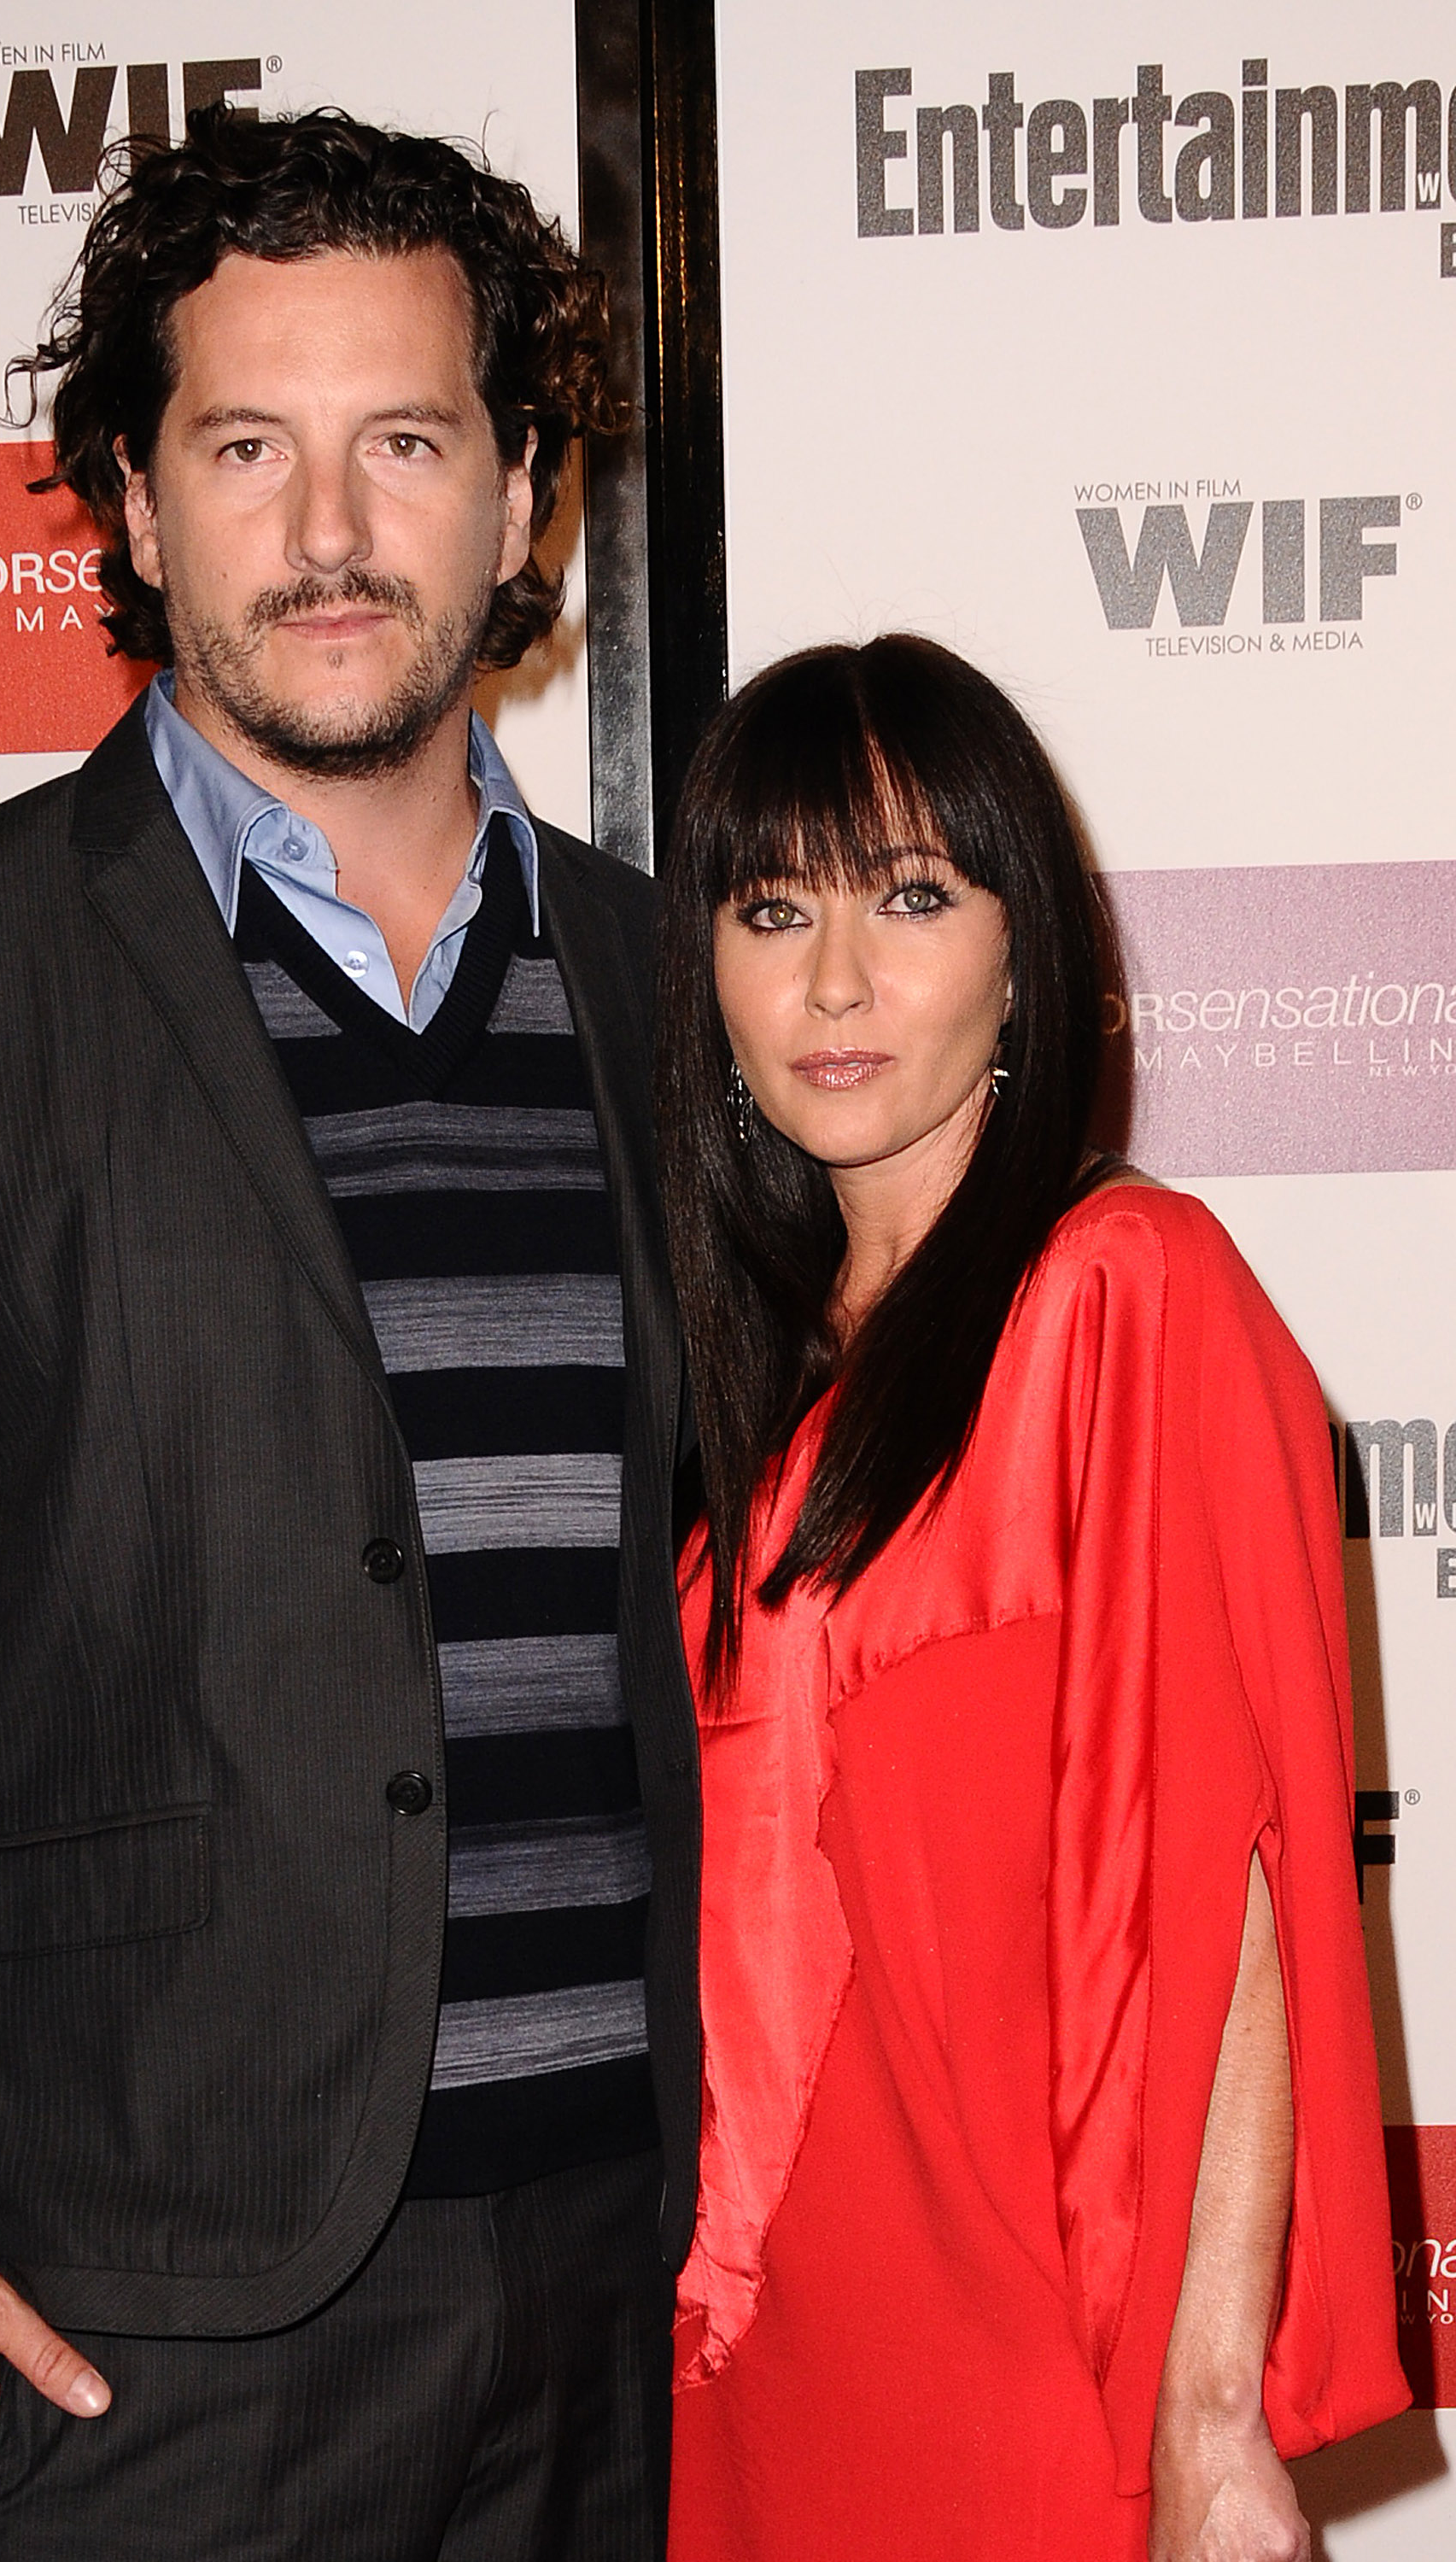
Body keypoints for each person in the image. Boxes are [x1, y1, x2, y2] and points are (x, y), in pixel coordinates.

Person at [0, 108, 699, 2562]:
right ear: (130, 503)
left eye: (408, 443)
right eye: (248, 447)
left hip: (622, 2285)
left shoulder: (673, 989)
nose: (329, 530)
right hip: (144, 2323)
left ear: (524, 500)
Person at [652, 636, 1407, 2560]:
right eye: (771, 907)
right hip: (744, 2359)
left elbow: (1234, 1886)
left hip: (1033, 2363)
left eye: (911, 896)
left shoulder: (1126, 1295)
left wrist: (1214, 2410)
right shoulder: (738, 1402)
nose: (834, 980)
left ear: (1023, 952)